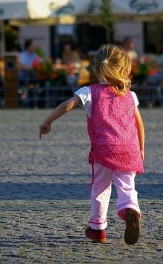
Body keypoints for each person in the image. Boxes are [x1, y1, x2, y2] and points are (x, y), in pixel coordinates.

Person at [39, 44, 145, 245]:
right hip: (129, 149)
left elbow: (66, 105)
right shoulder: (130, 95)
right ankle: (131, 208)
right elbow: (138, 123)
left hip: (104, 149)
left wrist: (47, 121)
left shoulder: (89, 92)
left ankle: (97, 229)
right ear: (124, 70)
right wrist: (141, 148)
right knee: (127, 186)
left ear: (96, 70)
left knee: (100, 187)